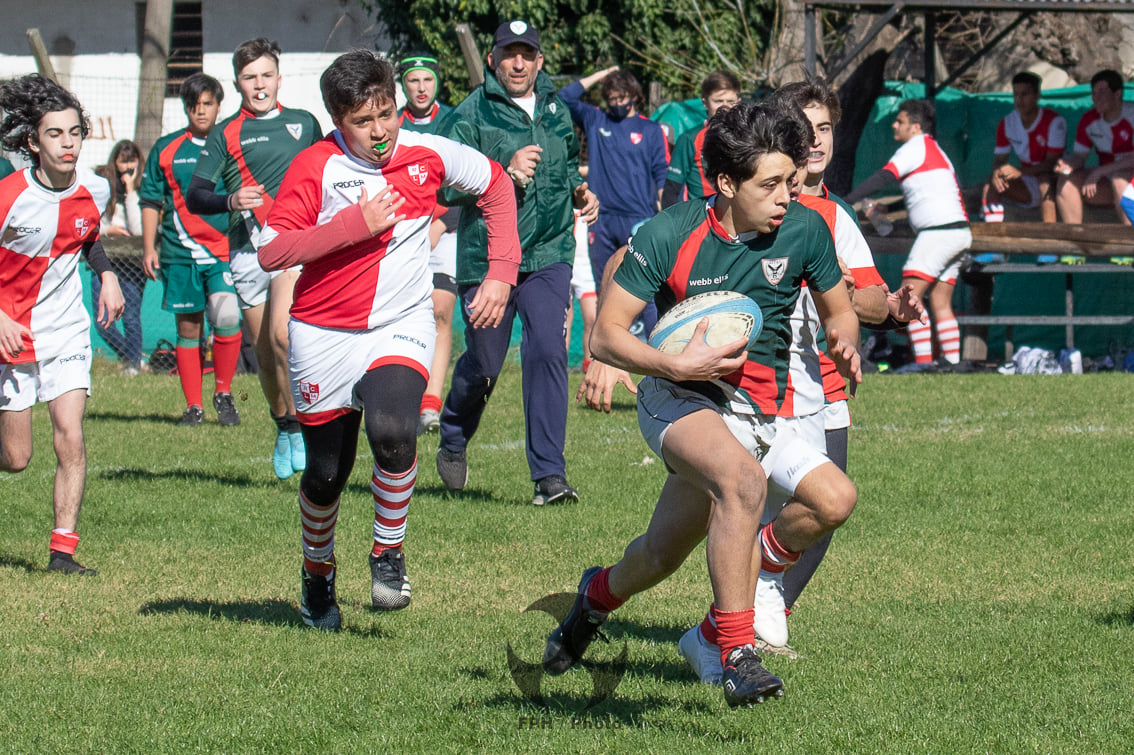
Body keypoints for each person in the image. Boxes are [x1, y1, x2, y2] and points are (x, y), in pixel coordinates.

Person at [541, 102, 862, 707]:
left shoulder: (805, 228)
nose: (785, 196)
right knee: (741, 483)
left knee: (822, 504)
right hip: (678, 397)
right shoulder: (670, 232)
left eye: (790, 181)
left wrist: (844, 338)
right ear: (726, 184)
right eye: (769, 184)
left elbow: (839, 308)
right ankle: (736, 652)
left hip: (758, 414)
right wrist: (674, 366)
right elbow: (606, 335)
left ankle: (595, 599)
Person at [258, 49, 520, 630]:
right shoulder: (314, 166)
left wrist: (502, 270)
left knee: (395, 432)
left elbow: (496, 185)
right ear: (337, 120)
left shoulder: (428, 153)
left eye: (387, 114)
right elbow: (272, 251)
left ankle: (388, 552)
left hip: (400, 323)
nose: (380, 131)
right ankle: (317, 573)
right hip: (322, 331)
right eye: (363, 121)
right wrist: (355, 225)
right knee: (327, 473)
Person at [434, 20, 598, 505]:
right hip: (488, 258)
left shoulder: (556, 109)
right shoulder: (470, 113)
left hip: (549, 253)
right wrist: (501, 172)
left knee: (547, 349)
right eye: (509, 53)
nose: (519, 63)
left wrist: (580, 194)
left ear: (540, 61)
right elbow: (440, 184)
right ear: (493, 59)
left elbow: (564, 169)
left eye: (527, 54)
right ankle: (453, 431)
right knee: (486, 363)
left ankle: (550, 477)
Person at [0, 74, 125, 575]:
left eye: (75, 132)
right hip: (13, 334)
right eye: (55, 134)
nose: (68, 143)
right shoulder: (9, 194)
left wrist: (108, 274)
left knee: (70, 437)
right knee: (16, 458)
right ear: (34, 142)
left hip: (68, 330)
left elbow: (87, 236)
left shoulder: (94, 187)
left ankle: (62, 553)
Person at [187, 37, 322, 478]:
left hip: (293, 246)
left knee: (284, 336)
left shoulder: (305, 123)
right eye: (249, 77)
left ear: (280, 79)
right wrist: (230, 200)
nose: (259, 84)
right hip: (247, 252)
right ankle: (284, 426)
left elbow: (330, 172)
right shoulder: (224, 133)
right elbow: (196, 195)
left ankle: (305, 426)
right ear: (237, 84)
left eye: (266, 75)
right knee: (264, 352)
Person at [140, 73, 243, 427]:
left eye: (208, 104)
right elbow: (151, 200)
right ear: (185, 108)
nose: (201, 111)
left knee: (227, 317)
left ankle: (224, 393)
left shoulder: (230, 144)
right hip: (179, 253)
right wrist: (149, 247)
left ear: (219, 106)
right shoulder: (166, 148)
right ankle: (193, 407)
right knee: (188, 329)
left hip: (223, 250)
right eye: (194, 105)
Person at [845, 99, 971, 365]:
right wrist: (890, 208)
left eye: (900, 121)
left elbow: (885, 176)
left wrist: (845, 201)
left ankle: (923, 364)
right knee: (940, 300)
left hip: (937, 233)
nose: (894, 125)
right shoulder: (935, 150)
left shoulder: (915, 146)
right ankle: (952, 365)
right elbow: (926, 195)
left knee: (908, 299)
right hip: (958, 232)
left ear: (915, 127)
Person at [558, 67, 668, 304]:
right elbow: (564, 98)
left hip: (639, 218)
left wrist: (664, 206)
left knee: (643, 292)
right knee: (605, 290)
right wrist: (602, 74)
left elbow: (661, 171)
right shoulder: (597, 119)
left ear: (634, 96)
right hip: (602, 219)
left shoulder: (650, 129)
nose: (617, 104)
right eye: (611, 99)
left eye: (622, 98)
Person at [395, 51, 457, 435]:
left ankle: (431, 405)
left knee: (440, 311)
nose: (421, 88)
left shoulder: (454, 120)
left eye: (428, 80)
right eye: (414, 80)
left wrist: (441, 224)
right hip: (402, 230)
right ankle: (400, 396)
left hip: (446, 229)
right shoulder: (391, 122)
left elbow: (468, 180)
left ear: (437, 82)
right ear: (403, 85)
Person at [91, 139, 147, 374]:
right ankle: (131, 356)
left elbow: (139, 229)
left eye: (131, 161)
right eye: (123, 161)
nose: (127, 166)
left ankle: (133, 366)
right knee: (102, 322)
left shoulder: (143, 187)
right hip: (106, 261)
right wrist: (109, 230)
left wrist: (131, 190)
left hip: (133, 262)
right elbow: (94, 223)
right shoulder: (104, 186)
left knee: (131, 317)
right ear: (115, 161)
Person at [981, 72, 1065, 224]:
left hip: (1054, 180)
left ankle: (1049, 234)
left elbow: (1051, 163)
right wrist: (997, 173)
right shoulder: (1007, 123)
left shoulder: (1054, 121)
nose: (1019, 100)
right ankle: (992, 234)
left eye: (1025, 94)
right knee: (991, 183)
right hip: (1027, 180)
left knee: (1044, 181)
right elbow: (999, 160)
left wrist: (1019, 172)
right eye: (1016, 94)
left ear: (1037, 95)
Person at [1055, 69, 1134, 225]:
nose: (1096, 98)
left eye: (1102, 92)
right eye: (1094, 93)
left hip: (1126, 180)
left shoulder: (1132, 114)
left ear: (1117, 94)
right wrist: (1068, 165)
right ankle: (1075, 237)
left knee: (1119, 181)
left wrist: (1100, 171)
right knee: (1066, 180)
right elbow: (1080, 156)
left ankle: (1129, 237)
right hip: (1107, 181)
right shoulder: (1089, 120)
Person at [662, 71, 742, 208]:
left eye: (730, 101)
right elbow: (671, 191)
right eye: (718, 101)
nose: (724, 106)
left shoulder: (749, 136)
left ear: (738, 102)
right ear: (705, 103)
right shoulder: (689, 139)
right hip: (704, 216)